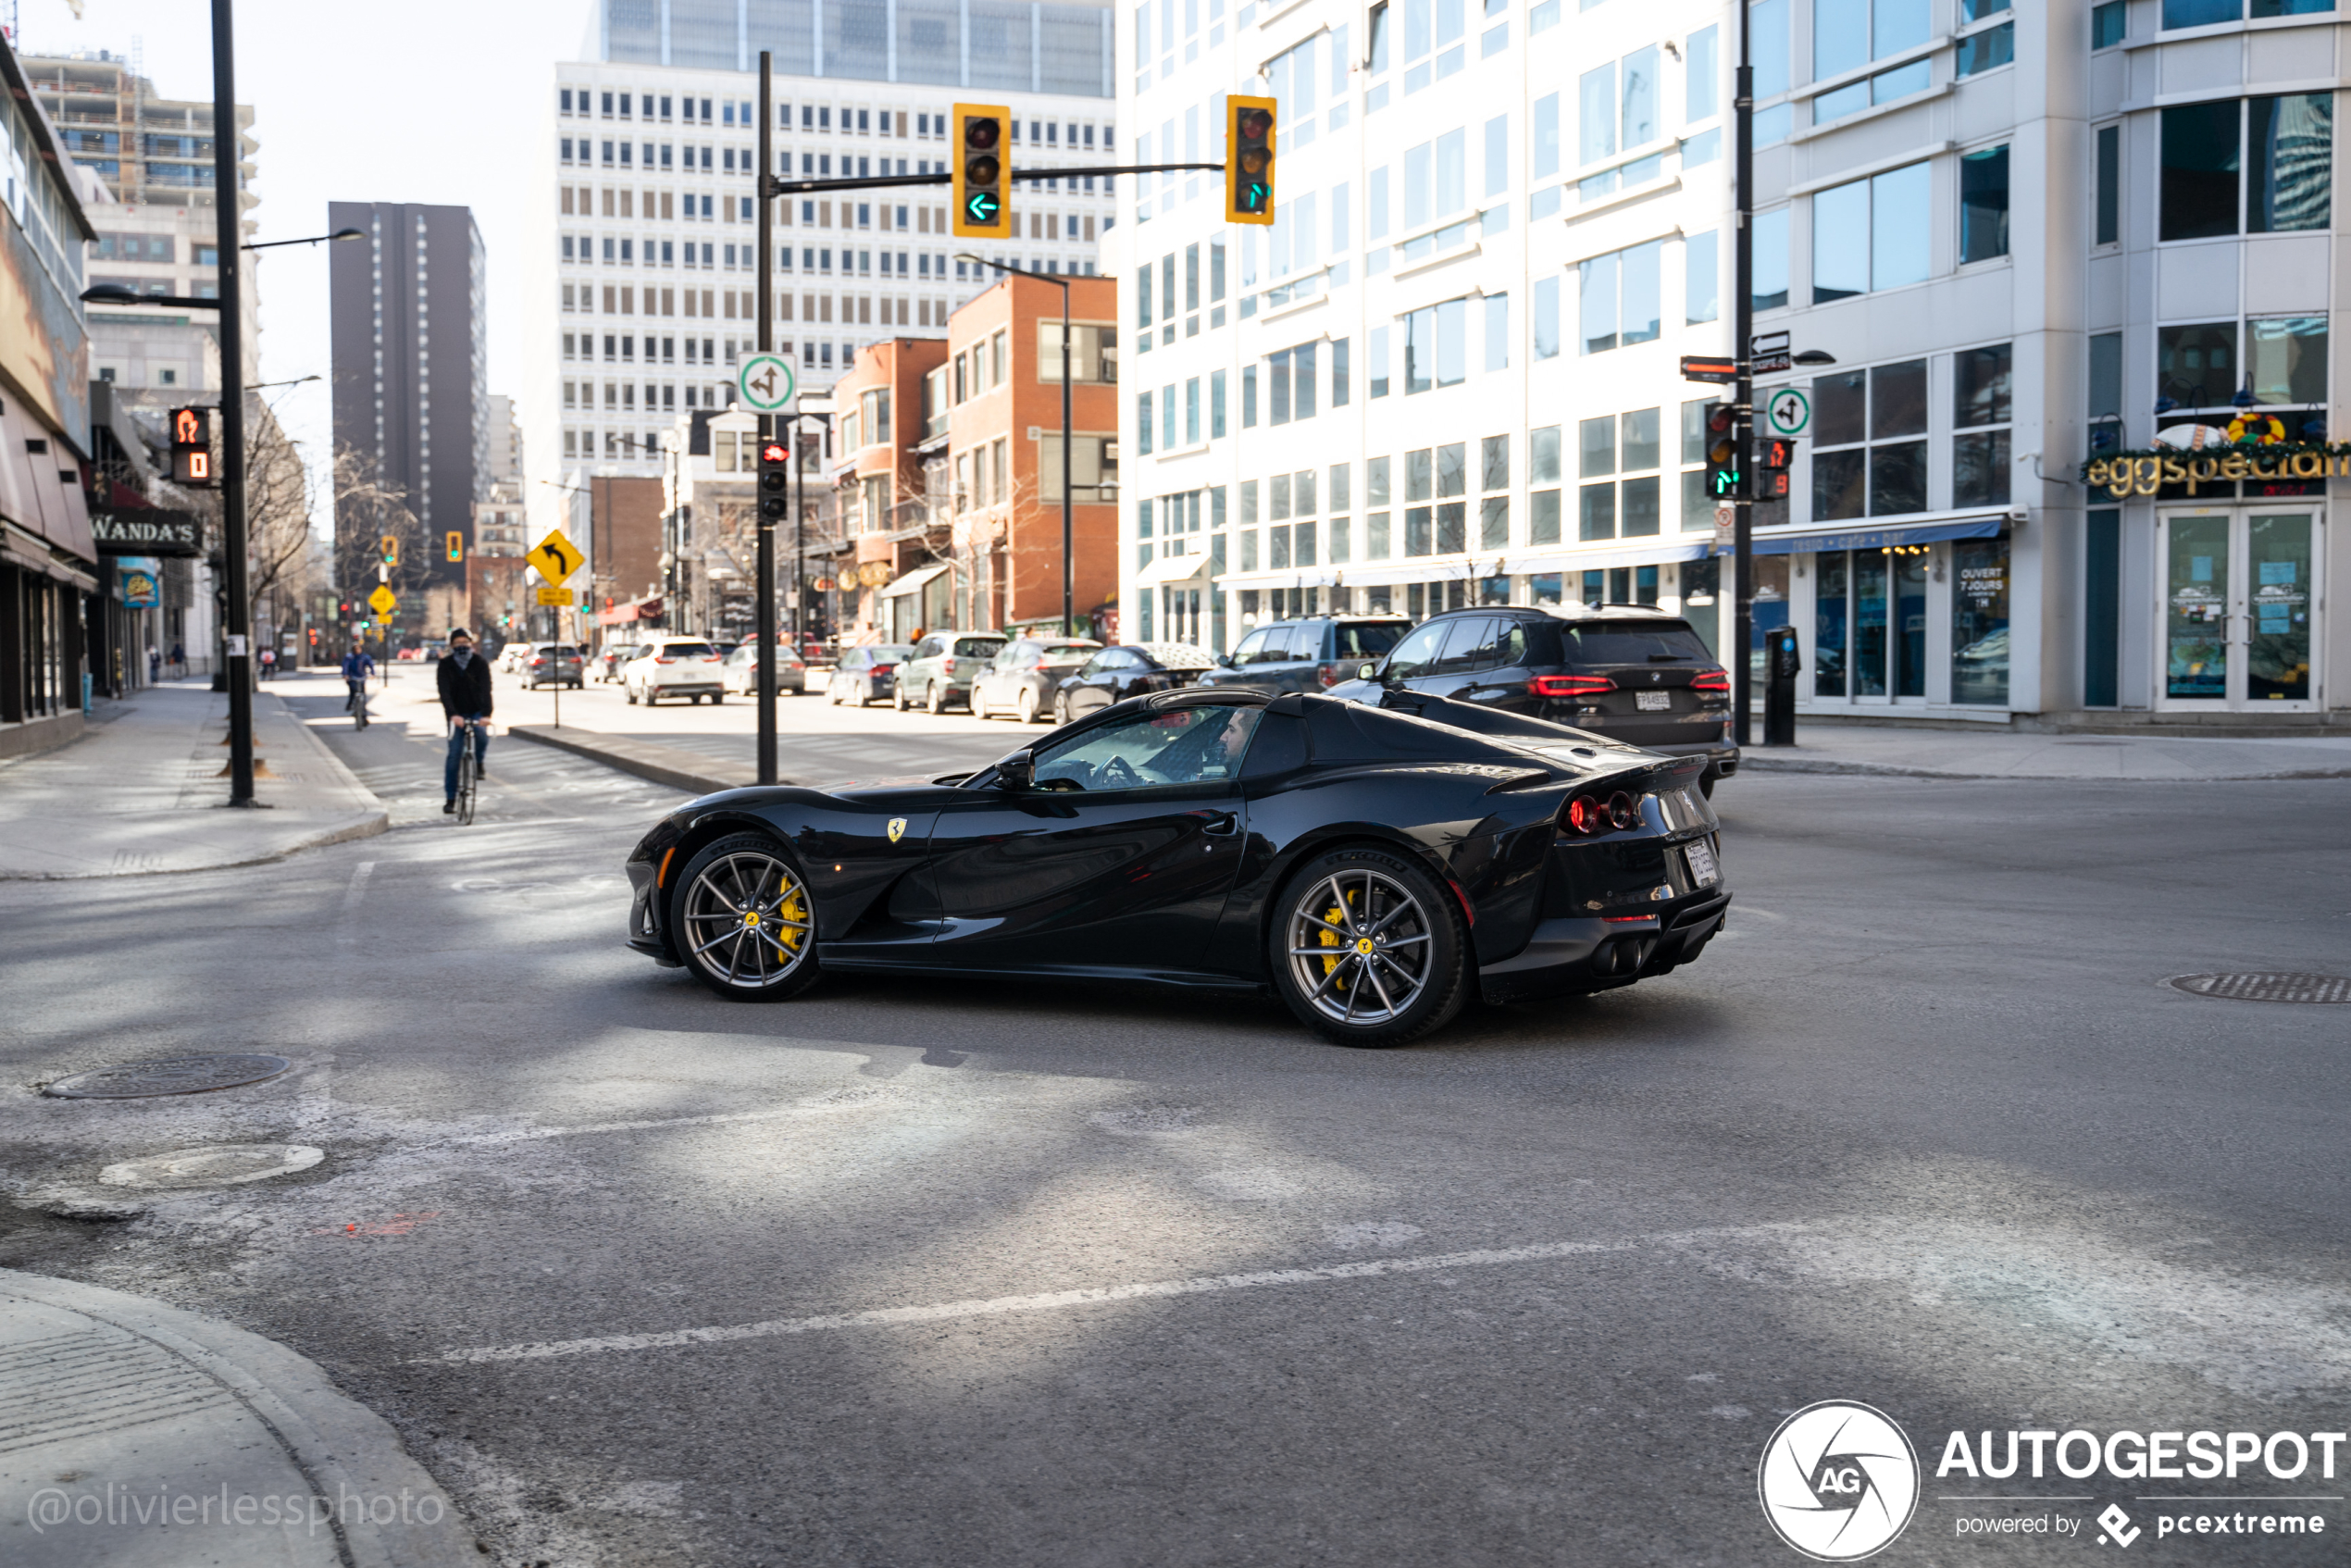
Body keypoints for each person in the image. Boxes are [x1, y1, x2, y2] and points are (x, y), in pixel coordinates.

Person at [435, 628, 493, 815]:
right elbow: (444, 693)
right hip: (456, 715)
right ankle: (451, 799)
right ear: (452, 646)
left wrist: (487, 714)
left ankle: (479, 763)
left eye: (465, 642)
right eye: (458, 643)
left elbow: (486, 689)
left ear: (471, 643)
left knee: (482, 735)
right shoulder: (445, 665)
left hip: (476, 711)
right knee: (454, 756)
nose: (462, 646)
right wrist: (453, 714)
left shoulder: (480, 663)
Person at [341, 643, 376, 721]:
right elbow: (345, 666)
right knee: (353, 692)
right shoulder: (349, 657)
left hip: (361, 678)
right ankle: (350, 705)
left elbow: (371, 664)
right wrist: (345, 674)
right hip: (352, 678)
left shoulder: (364, 657)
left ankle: (363, 715)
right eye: (355, 649)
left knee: (363, 696)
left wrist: (372, 673)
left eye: (358, 649)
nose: (357, 651)